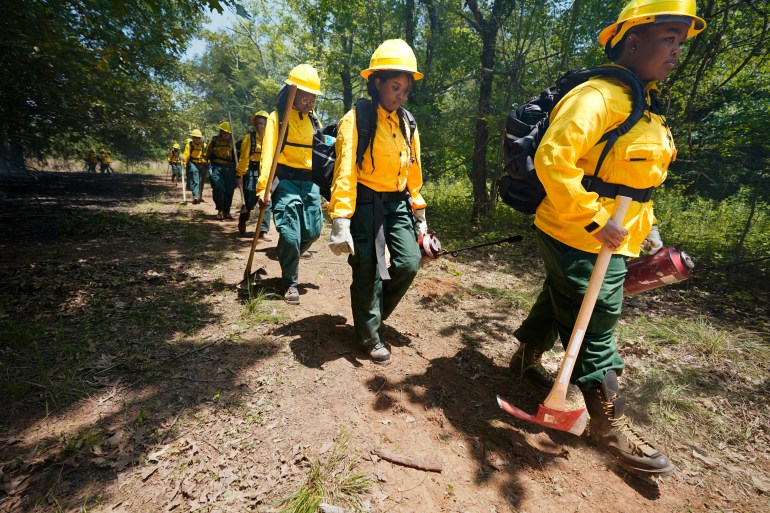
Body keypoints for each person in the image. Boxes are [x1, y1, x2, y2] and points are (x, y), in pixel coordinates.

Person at [508, 0, 706, 477]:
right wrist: (597, 221)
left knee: (563, 295)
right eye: (669, 39)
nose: (677, 51)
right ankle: (609, 426)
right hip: (576, 230)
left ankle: (524, 359)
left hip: (614, 236)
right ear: (633, 40)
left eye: (681, 41)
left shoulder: (646, 107)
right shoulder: (596, 97)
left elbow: (635, 183)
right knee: (596, 323)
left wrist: (649, 231)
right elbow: (555, 162)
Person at [327, 39, 427, 365]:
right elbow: (344, 172)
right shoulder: (355, 119)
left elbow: (414, 171)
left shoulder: (408, 122)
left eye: (406, 89)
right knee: (368, 268)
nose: (400, 95)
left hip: (397, 203)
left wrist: (420, 215)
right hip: (366, 202)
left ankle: (371, 314)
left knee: (409, 263)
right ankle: (369, 335)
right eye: (395, 87)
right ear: (377, 82)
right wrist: (340, 220)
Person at [256, 64, 324, 304]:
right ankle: (290, 281)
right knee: (290, 233)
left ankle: (288, 258)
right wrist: (263, 188)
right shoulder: (278, 118)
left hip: (310, 184)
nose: (310, 101)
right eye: (305, 96)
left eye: (313, 96)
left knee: (314, 232)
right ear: (291, 93)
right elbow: (267, 156)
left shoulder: (314, 121)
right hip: (285, 182)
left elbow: (321, 151)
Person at [236, 111, 271, 237]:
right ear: (255, 124)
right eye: (259, 123)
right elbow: (244, 158)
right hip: (251, 169)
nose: (261, 126)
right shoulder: (249, 138)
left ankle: (263, 230)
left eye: (264, 123)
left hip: (266, 170)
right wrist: (239, 175)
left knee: (266, 198)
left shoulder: (272, 139)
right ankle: (243, 220)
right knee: (249, 198)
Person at [205, 122, 238, 221]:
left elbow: (237, 158)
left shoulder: (233, 143)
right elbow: (206, 154)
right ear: (220, 131)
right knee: (218, 188)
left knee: (229, 190)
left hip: (230, 169)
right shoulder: (214, 140)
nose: (225, 135)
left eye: (227, 133)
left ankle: (227, 211)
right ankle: (220, 210)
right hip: (216, 168)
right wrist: (205, 165)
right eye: (223, 132)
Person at [183, 129, 207, 204]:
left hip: (202, 164)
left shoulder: (204, 145)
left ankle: (200, 196)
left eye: (198, 137)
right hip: (193, 163)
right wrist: (184, 162)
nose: (197, 139)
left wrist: (209, 164)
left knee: (201, 181)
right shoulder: (189, 145)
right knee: (195, 178)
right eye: (195, 137)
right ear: (192, 137)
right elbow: (186, 155)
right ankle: (195, 197)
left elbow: (207, 155)